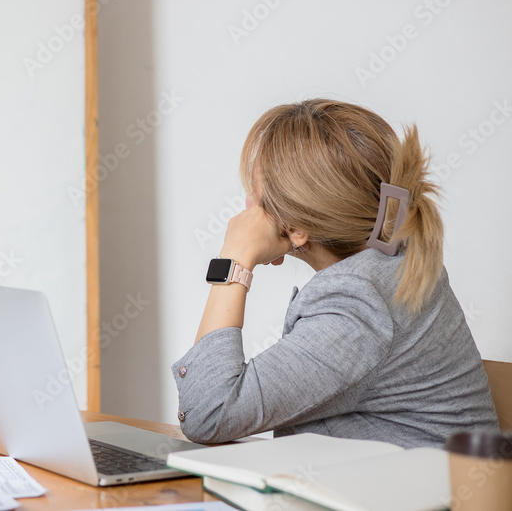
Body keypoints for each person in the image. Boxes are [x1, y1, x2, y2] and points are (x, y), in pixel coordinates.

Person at [173, 99, 498, 448]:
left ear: (296, 228)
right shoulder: (393, 263)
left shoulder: (357, 305)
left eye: (256, 197)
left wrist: (235, 257)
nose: (247, 208)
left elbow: (208, 413)